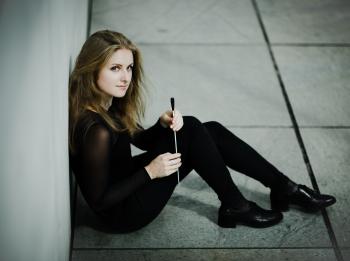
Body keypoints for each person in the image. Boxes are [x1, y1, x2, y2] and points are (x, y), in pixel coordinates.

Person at [69, 30, 336, 233]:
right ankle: (237, 204)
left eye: (128, 67)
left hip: (128, 182)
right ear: (92, 69)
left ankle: (282, 187)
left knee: (209, 130)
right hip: (124, 214)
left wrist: (161, 125)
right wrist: (150, 171)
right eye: (115, 69)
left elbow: (138, 138)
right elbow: (99, 201)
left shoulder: (105, 104)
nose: (125, 77)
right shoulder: (95, 130)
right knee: (195, 130)